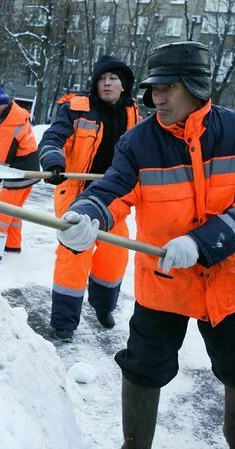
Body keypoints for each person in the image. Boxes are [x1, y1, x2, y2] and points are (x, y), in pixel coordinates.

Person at [55, 41, 235, 449]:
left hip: (230, 281)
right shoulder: (139, 142)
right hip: (164, 280)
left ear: (196, 87)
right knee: (143, 365)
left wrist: (203, 242)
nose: (158, 97)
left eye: (169, 87)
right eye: (154, 87)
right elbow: (114, 189)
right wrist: (88, 215)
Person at [38, 55, 140, 337]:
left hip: (115, 198)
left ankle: (103, 306)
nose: (107, 84)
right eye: (102, 79)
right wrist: (54, 163)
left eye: (114, 79)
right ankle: (64, 322)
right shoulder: (76, 109)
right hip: (77, 194)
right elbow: (52, 138)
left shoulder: (135, 115)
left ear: (124, 85)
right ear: (94, 84)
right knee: (74, 255)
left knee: (115, 256)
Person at [0, 88, 39, 261]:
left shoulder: (9, 125)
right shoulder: (15, 114)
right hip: (28, 171)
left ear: (4, 104)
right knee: (14, 211)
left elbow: (5, 155)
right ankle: (12, 245)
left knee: (1, 211)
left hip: (19, 173)